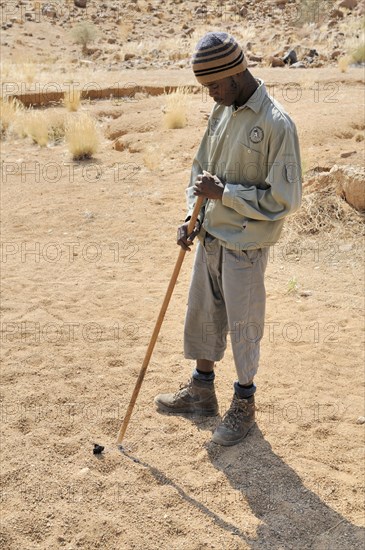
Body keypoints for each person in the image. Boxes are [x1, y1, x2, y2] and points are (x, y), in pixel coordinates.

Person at [154, 32, 302, 446]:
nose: (212, 95)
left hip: (246, 247)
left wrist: (226, 195)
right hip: (211, 237)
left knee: (244, 326)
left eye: (215, 85)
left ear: (236, 73)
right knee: (202, 315)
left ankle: (244, 405)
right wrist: (191, 216)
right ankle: (202, 391)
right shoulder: (222, 111)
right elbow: (200, 171)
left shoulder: (276, 123)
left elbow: (285, 199)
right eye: (206, 88)